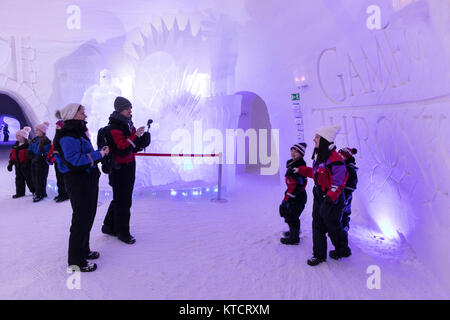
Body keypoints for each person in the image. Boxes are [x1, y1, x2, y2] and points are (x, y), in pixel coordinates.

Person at [53, 103, 109, 272]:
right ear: (73, 115)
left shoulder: (78, 132)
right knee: (81, 220)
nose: (85, 115)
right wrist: (99, 154)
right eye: (82, 113)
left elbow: (84, 155)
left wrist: (100, 151)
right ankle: (76, 261)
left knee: (88, 216)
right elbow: (74, 161)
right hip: (77, 181)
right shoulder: (67, 135)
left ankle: (84, 250)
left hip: (88, 178)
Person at [294, 125, 351, 266]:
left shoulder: (336, 159)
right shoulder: (321, 157)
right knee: (317, 225)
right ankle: (318, 255)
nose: (314, 139)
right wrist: (300, 170)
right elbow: (316, 174)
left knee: (332, 226)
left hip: (333, 199)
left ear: (325, 139)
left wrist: (329, 201)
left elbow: (337, 184)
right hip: (319, 196)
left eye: (317, 137)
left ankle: (342, 249)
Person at [101, 96, 150, 244]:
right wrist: (135, 136)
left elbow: (131, 147)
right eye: (127, 108)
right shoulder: (113, 128)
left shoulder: (128, 124)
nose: (130, 110)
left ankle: (109, 226)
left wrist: (143, 140)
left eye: (130, 107)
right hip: (119, 168)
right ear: (120, 110)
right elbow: (121, 148)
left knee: (120, 198)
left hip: (128, 166)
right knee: (124, 201)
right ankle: (123, 232)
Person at [279, 143, 308, 245]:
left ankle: (294, 238)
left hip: (297, 195)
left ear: (301, 154)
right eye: (292, 151)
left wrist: (288, 199)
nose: (293, 153)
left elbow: (297, 186)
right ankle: (294, 232)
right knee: (289, 213)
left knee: (292, 215)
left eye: (296, 152)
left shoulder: (299, 167)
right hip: (292, 193)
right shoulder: (292, 163)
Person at [7, 126, 35, 198]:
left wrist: (31, 163)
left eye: (18, 135)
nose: (16, 137)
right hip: (18, 165)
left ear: (23, 137)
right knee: (19, 179)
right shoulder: (15, 145)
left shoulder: (28, 145)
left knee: (29, 179)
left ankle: (34, 191)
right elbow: (12, 155)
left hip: (26, 165)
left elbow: (31, 156)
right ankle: (20, 192)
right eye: (16, 135)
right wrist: (11, 163)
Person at [27, 121, 51, 202]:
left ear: (42, 131)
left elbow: (47, 152)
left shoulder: (46, 140)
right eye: (35, 130)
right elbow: (29, 149)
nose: (35, 131)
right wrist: (32, 157)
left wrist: (40, 157)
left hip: (42, 163)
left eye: (37, 130)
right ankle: (39, 192)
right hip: (34, 162)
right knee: (34, 177)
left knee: (40, 178)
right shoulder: (34, 140)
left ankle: (40, 193)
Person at [47, 120, 69, 202]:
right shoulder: (56, 137)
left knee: (63, 178)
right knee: (59, 178)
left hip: (63, 161)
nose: (57, 128)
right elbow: (53, 148)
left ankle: (65, 194)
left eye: (58, 127)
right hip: (57, 161)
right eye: (56, 127)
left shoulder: (64, 137)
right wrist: (50, 157)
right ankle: (61, 193)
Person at [337, 147, 358, 232]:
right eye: (339, 154)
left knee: (344, 212)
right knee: (338, 212)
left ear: (347, 157)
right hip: (338, 194)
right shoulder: (338, 165)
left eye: (342, 155)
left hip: (345, 194)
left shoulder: (350, 169)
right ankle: (337, 229)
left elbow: (352, 184)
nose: (339, 156)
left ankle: (344, 229)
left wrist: (346, 193)